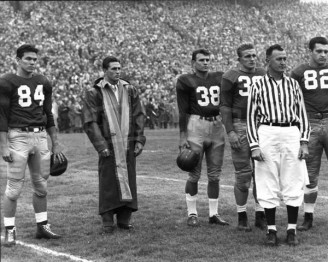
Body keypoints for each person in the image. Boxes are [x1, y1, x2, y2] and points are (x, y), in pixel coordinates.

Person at [0, 44, 65, 247]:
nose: (32, 63)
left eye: (35, 59)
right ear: (18, 59)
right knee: (14, 189)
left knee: (41, 186)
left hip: (40, 137)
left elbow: (48, 114)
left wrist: (56, 143)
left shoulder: (43, 82)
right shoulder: (7, 82)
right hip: (17, 136)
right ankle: (9, 230)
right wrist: (3, 145)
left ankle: (42, 226)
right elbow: (1, 116)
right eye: (28, 59)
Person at [247, 44, 310, 246]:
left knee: (293, 180)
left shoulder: (293, 84)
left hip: (291, 131)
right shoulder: (257, 85)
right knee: (267, 179)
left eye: (284, 58)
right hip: (267, 131)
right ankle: (272, 230)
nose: (283, 62)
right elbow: (250, 117)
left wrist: (304, 141)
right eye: (278, 59)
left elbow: (302, 114)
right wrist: (254, 145)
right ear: (268, 61)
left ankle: (291, 230)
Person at [82, 56, 146, 234]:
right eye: (113, 69)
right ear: (104, 71)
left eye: (119, 68)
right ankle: (108, 221)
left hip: (127, 143)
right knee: (108, 181)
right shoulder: (94, 92)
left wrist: (139, 139)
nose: (118, 71)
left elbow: (139, 114)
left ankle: (125, 219)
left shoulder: (130, 90)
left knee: (129, 180)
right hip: (108, 144)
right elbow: (90, 121)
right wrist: (100, 144)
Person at [176, 48, 228, 227]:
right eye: (201, 60)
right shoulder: (185, 80)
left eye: (207, 59)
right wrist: (183, 136)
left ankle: (214, 214)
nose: (205, 62)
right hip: (195, 125)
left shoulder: (219, 77)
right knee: (194, 174)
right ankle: (192, 213)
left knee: (214, 175)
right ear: (193, 63)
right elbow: (183, 110)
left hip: (216, 126)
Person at [220, 43, 266, 232]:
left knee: (262, 173)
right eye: (247, 56)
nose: (252, 59)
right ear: (239, 59)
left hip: (262, 125)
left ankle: (261, 213)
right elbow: (224, 106)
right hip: (240, 124)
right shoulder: (231, 76)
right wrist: (230, 131)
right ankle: (242, 215)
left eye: (254, 55)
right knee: (243, 174)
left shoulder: (263, 74)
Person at [290, 36, 328, 231]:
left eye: (326, 51)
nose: (323, 55)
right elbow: (290, 100)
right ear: (310, 51)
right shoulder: (298, 72)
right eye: (319, 51)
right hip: (309, 123)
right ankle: (309, 216)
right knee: (310, 175)